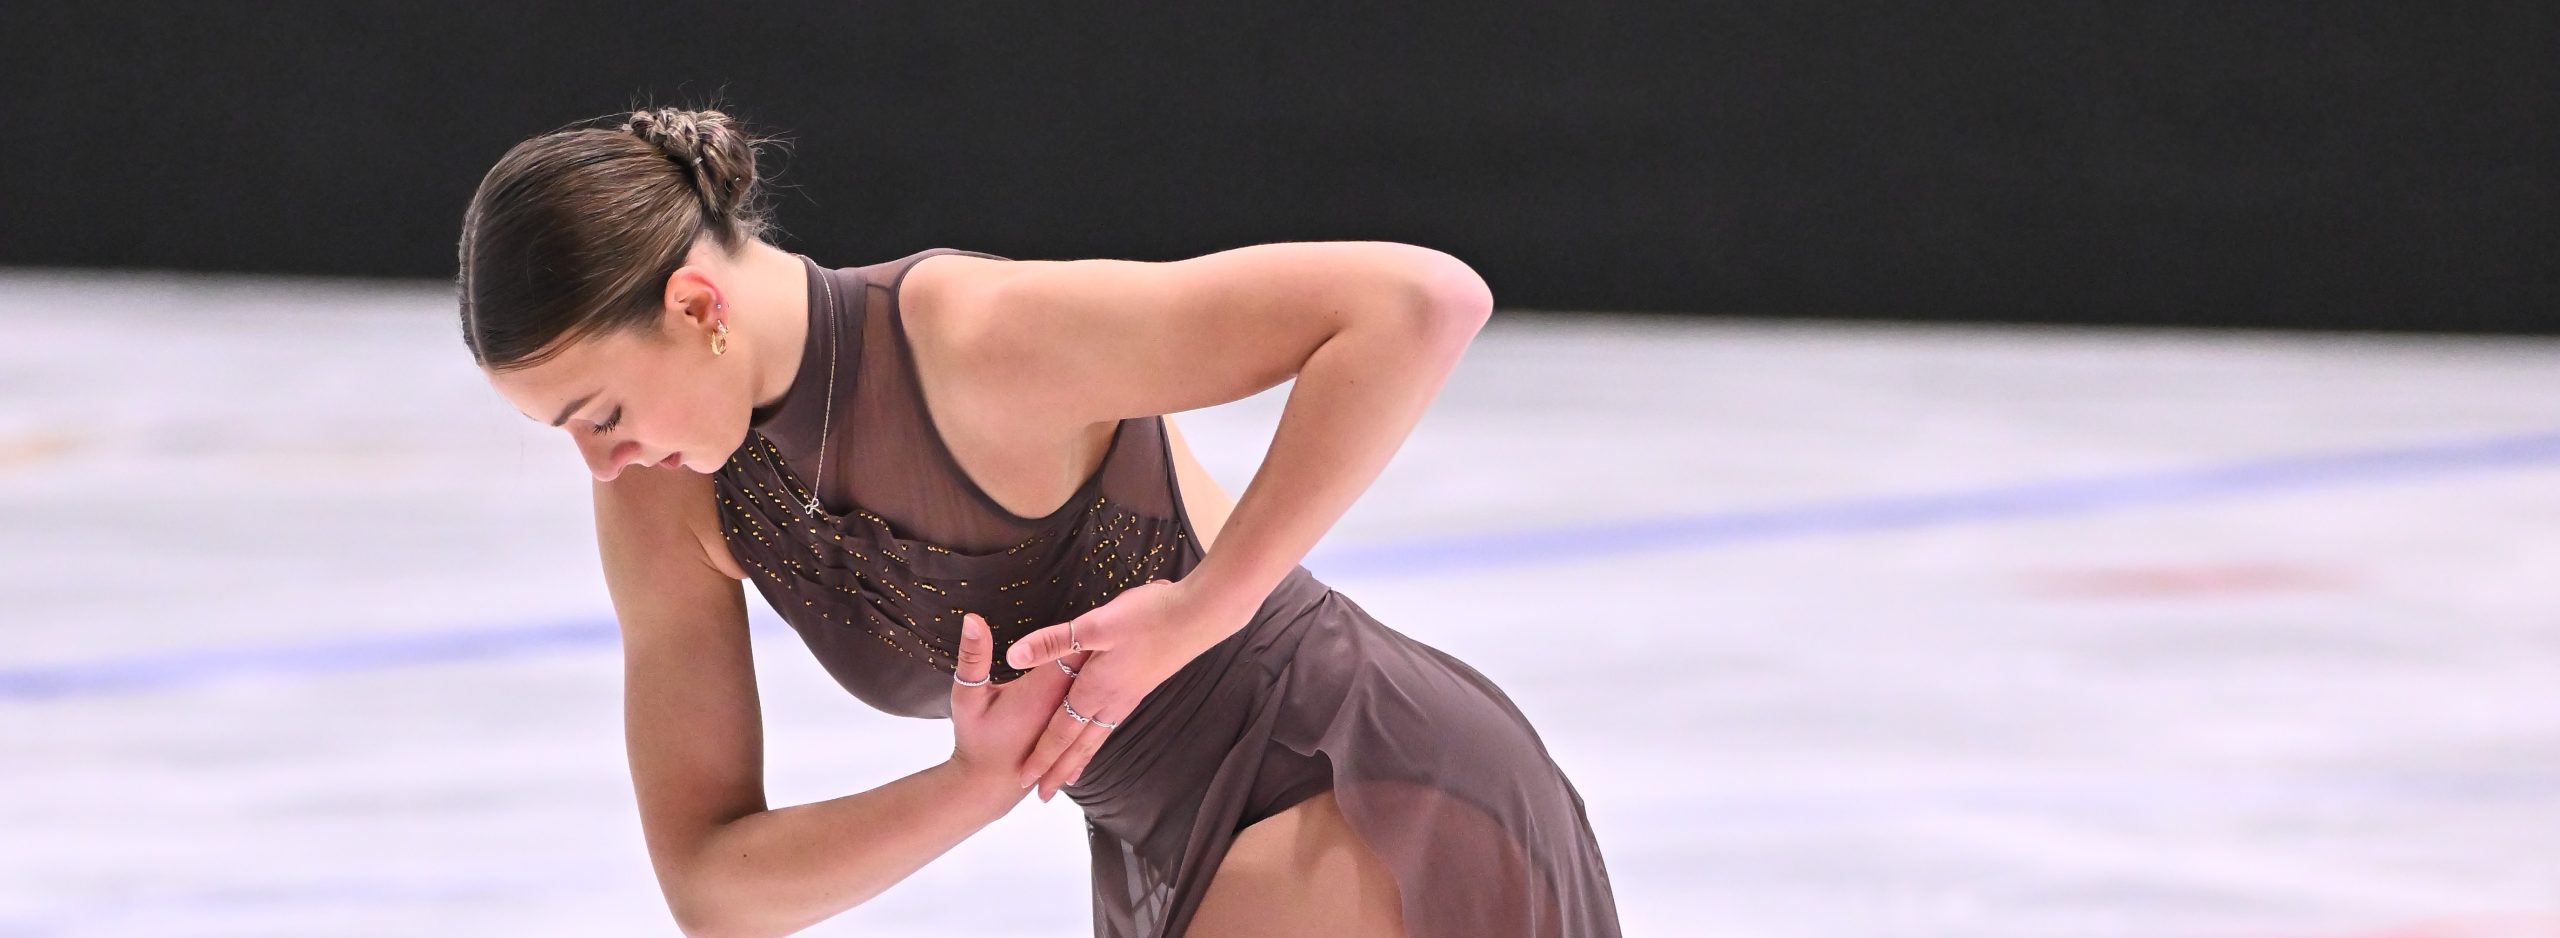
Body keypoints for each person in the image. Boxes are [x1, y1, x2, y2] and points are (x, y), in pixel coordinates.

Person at [455, 104, 1622, 938]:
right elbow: (714, 888)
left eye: (599, 411)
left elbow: (1418, 302)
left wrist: (1204, 607)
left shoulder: (969, 338)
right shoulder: (665, 492)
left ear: (695, 305)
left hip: (1347, 780)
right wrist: (971, 785)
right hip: (1160, 843)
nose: (598, 461)